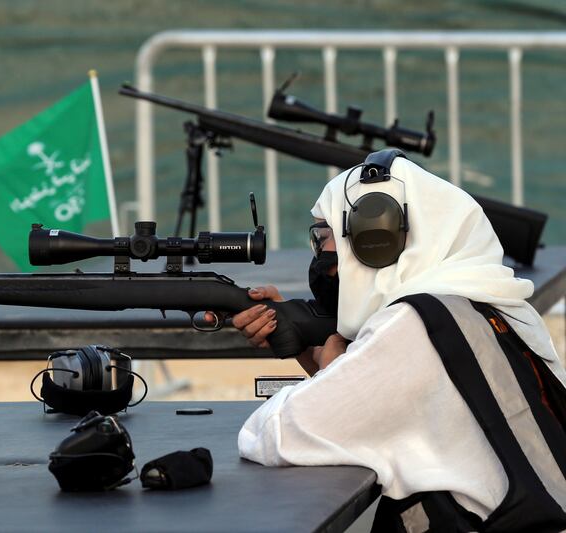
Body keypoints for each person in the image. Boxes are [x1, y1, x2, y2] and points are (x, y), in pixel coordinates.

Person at [233, 151, 566, 532]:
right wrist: (315, 356)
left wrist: (332, 367)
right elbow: (395, 409)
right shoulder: (495, 304)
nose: (323, 255)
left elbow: (273, 435)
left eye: (324, 237)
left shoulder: (411, 326)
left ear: (374, 239)